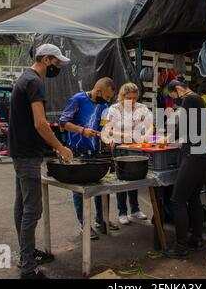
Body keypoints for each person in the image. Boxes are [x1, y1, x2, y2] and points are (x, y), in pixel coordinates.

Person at [9, 43, 73, 279]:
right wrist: (60, 147)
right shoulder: (35, 82)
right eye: (57, 63)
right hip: (27, 155)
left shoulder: (23, 79)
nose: (58, 68)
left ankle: (28, 254)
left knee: (22, 207)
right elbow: (40, 123)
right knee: (32, 210)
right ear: (46, 60)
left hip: (19, 151)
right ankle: (28, 267)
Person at [59, 77, 117, 240]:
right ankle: (84, 224)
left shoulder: (104, 106)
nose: (108, 101)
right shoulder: (77, 99)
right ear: (98, 91)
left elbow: (103, 127)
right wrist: (82, 130)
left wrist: (108, 138)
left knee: (101, 187)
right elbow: (63, 122)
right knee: (79, 192)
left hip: (95, 152)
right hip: (76, 151)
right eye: (106, 97)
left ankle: (102, 219)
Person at [163, 79, 206, 259]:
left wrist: (167, 138)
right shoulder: (198, 99)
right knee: (193, 198)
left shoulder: (189, 99)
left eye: (173, 95)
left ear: (178, 89)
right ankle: (196, 238)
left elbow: (182, 126)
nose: (174, 100)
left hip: (193, 155)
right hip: (201, 155)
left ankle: (181, 246)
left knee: (177, 200)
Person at [102, 83, 150, 225]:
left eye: (135, 98)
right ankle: (122, 212)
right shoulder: (113, 109)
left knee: (134, 178)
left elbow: (150, 125)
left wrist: (146, 134)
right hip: (119, 148)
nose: (132, 101)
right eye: (129, 98)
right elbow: (107, 129)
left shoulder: (141, 108)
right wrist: (124, 135)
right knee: (122, 181)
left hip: (135, 147)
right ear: (122, 96)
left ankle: (135, 210)